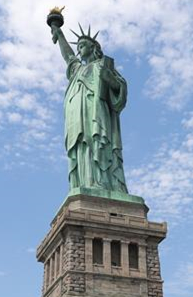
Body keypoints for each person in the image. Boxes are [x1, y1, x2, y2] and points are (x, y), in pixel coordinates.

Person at [51, 21, 129, 194]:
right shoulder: (77, 69)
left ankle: (103, 183)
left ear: (93, 47)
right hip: (76, 116)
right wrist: (60, 34)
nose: (79, 49)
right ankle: (85, 182)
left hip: (96, 112)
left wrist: (109, 79)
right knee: (82, 145)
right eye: (78, 46)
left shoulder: (102, 65)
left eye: (83, 45)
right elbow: (69, 57)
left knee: (97, 142)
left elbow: (119, 88)